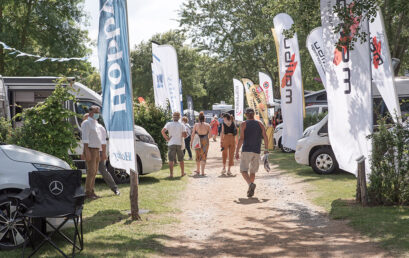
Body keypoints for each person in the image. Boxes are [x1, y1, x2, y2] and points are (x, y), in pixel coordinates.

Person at [82, 114, 120, 196]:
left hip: (98, 152)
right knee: (91, 172)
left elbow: (103, 142)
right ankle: (90, 191)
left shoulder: (100, 128)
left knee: (102, 170)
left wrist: (103, 153)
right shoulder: (87, 127)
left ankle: (115, 189)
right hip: (90, 151)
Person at [235, 108, 269, 197]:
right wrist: (266, 148)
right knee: (253, 171)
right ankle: (250, 188)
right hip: (256, 150)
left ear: (246, 115)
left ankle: (250, 184)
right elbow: (265, 136)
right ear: (254, 114)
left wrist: (237, 151)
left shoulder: (243, 124)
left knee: (243, 170)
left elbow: (241, 138)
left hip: (246, 150)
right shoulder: (260, 123)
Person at [81, 106, 102, 199]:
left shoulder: (96, 123)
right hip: (90, 149)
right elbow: (85, 138)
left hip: (96, 149)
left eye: (98, 112)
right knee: (91, 171)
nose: (98, 113)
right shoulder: (86, 123)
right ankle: (88, 192)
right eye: (96, 112)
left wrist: (100, 151)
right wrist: (87, 151)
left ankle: (92, 191)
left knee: (94, 172)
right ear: (90, 113)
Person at [161, 112, 187, 178]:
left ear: (173, 117)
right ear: (179, 117)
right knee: (181, 159)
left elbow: (162, 131)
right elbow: (185, 135)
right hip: (179, 143)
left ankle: (171, 174)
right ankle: (182, 173)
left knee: (171, 160)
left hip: (171, 143)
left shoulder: (169, 124)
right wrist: (181, 134)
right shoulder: (182, 125)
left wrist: (166, 138)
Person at [191, 112, 211, 176]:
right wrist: (206, 138)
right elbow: (210, 135)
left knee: (197, 154)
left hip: (197, 140)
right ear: (204, 118)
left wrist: (191, 143)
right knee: (204, 155)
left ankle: (198, 170)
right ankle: (202, 172)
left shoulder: (196, 125)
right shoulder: (208, 125)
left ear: (198, 119)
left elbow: (192, 135)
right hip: (205, 140)